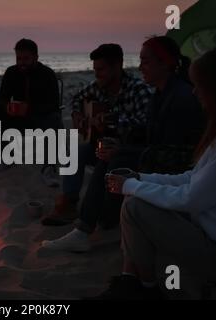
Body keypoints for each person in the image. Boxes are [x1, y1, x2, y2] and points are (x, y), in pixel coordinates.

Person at [100, 45, 216, 300]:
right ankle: (134, 282)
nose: (194, 92)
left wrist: (130, 186)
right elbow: (192, 178)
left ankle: (145, 288)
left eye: (199, 85)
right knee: (135, 199)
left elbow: (190, 198)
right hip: (213, 234)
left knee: (136, 206)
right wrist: (139, 179)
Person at [42, 37, 205, 252]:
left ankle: (92, 225)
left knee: (115, 157)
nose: (139, 67)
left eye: (145, 61)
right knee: (98, 150)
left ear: (164, 64)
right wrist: (80, 117)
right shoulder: (159, 93)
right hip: (150, 153)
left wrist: (119, 136)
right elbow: (78, 99)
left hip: (176, 167)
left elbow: (175, 152)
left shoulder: (173, 96)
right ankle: (76, 208)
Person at [40, 43, 152, 230]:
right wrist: (78, 115)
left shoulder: (138, 90)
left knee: (103, 157)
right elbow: (76, 99)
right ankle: (69, 202)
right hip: (103, 146)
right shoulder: (98, 87)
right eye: (94, 70)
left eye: (101, 70)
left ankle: (97, 214)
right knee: (75, 151)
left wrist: (113, 121)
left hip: (127, 152)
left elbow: (145, 124)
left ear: (118, 66)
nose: (97, 75)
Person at [0, 38, 62, 186]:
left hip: (40, 118)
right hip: (16, 118)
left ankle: (48, 168)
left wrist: (30, 109)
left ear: (36, 57)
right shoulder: (11, 72)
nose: (22, 62)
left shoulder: (47, 74)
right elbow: (0, 100)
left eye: (26, 59)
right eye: (19, 58)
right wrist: (8, 107)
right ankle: (9, 157)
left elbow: (54, 105)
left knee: (55, 119)